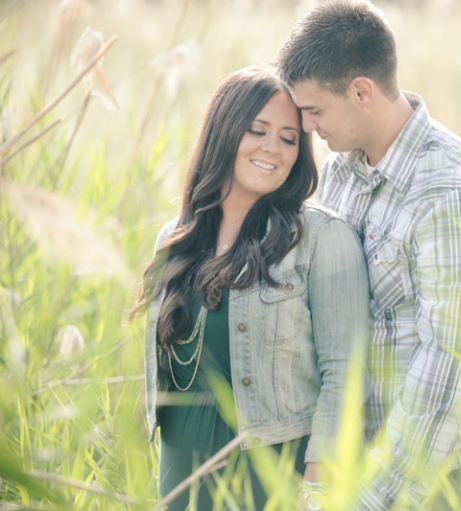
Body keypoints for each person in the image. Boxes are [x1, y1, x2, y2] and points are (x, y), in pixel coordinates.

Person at [276, 1, 461, 509]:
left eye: (315, 110)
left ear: (362, 91)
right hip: (363, 471)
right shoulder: (343, 174)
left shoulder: (454, 191)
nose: (308, 128)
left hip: (448, 480)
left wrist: (369, 499)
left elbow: (449, 373)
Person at [131, 66, 369, 510]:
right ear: (223, 131)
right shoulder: (175, 239)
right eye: (257, 131)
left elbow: (346, 375)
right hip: (181, 474)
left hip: (271, 479)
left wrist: (317, 491)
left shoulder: (320, 238)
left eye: (288, 138)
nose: (272, 149)